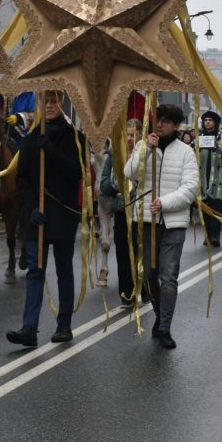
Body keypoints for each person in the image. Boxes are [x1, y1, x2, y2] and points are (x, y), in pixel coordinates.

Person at [6, 90, 87, 348]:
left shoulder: (75, 137)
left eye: (54, 101)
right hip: (37, 216)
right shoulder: (31, 137)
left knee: (64, 270)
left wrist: (50, 150)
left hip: (63, 215)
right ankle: (29, 328)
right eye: (45, 101)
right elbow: (23, 179)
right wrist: (31, 207)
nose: (49, 106)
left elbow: (76, 172)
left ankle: (64, 325)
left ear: (61, 103)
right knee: (35, 271)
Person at [124, 103, 199, 349]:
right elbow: (129, 173)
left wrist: (164, 202)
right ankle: (159, 315)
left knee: (168, 276)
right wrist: (145, 149)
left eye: (166, 121)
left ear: (176, 126)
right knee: (150, 275)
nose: (160, 124)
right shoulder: (143, 145)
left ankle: (165, 326)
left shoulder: (186, 152)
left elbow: (190, 188)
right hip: (147, 222)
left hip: (173, 223)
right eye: (159, 119)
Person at [100, 119, 142, 308]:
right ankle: (126, 294)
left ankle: (145, 289)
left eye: (134, 135)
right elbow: (104, 184)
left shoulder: (146, 154)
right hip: (121, 210)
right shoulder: (114, 155)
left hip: (142, 212)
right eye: (128, 135)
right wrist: (118, 185)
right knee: (123, 254)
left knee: (141, 252)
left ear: (140, 134)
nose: (130, 139)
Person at [197, 110, 222, 249]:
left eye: (210, 120)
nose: (207, 122)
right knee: (205, 208)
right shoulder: (199, 137)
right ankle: (207, 235)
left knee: (216, 208)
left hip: (217, 180)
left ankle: (215, 236)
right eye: (205, 120)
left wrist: (217, 148)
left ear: (215, 122)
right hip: (202, 178)